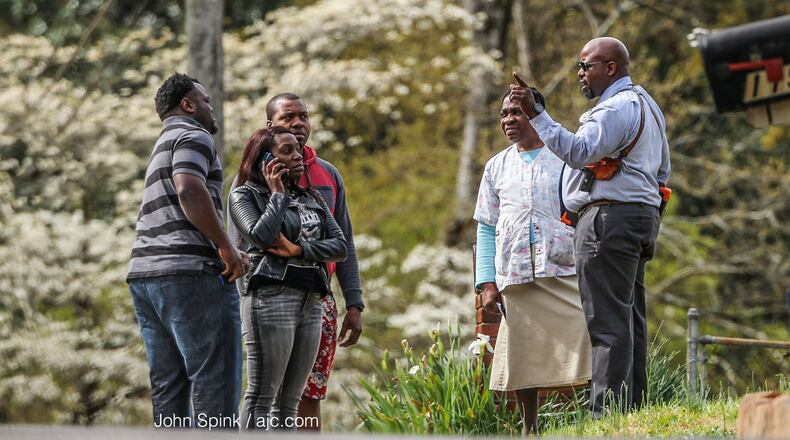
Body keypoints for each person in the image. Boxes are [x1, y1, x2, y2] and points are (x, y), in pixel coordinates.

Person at [509, 37, 671, 415]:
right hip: (638, 216)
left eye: (586, 66)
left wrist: (537, 116)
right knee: (630, 316)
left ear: (610, 68)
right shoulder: (647, 105)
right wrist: (648, 216)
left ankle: (607, 414)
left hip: (608, 220)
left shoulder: (614, 108)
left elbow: (580, 151)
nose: (580, 73)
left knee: (606, 322)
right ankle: (634, 408)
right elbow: (663, 170)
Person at [228, 93, 364, 431]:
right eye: (289, 117)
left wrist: (354, 301)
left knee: (306, 397)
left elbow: (341, 242)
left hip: (318, 296)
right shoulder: (246, 188)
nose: (299, 123)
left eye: (303, 116)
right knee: (263, 394)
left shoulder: (324, 179)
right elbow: (247, 241)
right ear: (269, 127)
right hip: (268, 296)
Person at [127, 73, 248, 428]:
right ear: (188, 104)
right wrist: (225, 247)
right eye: (206, 100)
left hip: (145, 276)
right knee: (216, 382)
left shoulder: (163, 142)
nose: (212, 108)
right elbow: (189, 190)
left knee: (169, 389)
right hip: (189, 274)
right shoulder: (193, 134)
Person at [475, 88, 592, 434]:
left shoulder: (565, 158)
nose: (508, 120)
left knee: (582, 340)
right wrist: (487, 282)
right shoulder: (496, 166)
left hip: (563, 267)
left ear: (534, 114)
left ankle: (596, 415)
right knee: (522, 351)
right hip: (516, 273)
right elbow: (486, 227)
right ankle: (530, 427)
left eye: (517, 112)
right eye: (503, 114)